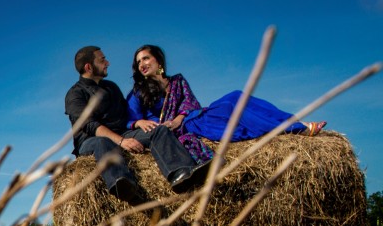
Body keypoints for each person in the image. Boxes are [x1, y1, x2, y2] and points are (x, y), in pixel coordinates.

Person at [126, 44, 327, 164]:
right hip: (173, 132)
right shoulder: (138, 91)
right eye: (138, 62)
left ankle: (295, 124)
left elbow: (190, 104)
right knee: (232, 109)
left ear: (158, 61)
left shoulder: (177, 81)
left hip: (190, 119)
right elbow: (128, 118)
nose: (142, 64)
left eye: (146, 58)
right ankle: (296, 129)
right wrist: (139, 123)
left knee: (236, 96)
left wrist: (178, 118)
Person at [65, 45, 211, 204]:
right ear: (88, 67)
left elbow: (127, 115)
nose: (107, 63)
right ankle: (123, 186)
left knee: (158, 130)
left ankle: (182, 173)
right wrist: (121, 141)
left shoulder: (111, 87)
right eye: (102, 60)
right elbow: (90, 125)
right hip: (91, 140)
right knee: (103, 142)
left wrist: (137, 123)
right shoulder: (75, 94)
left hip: (123, 133)